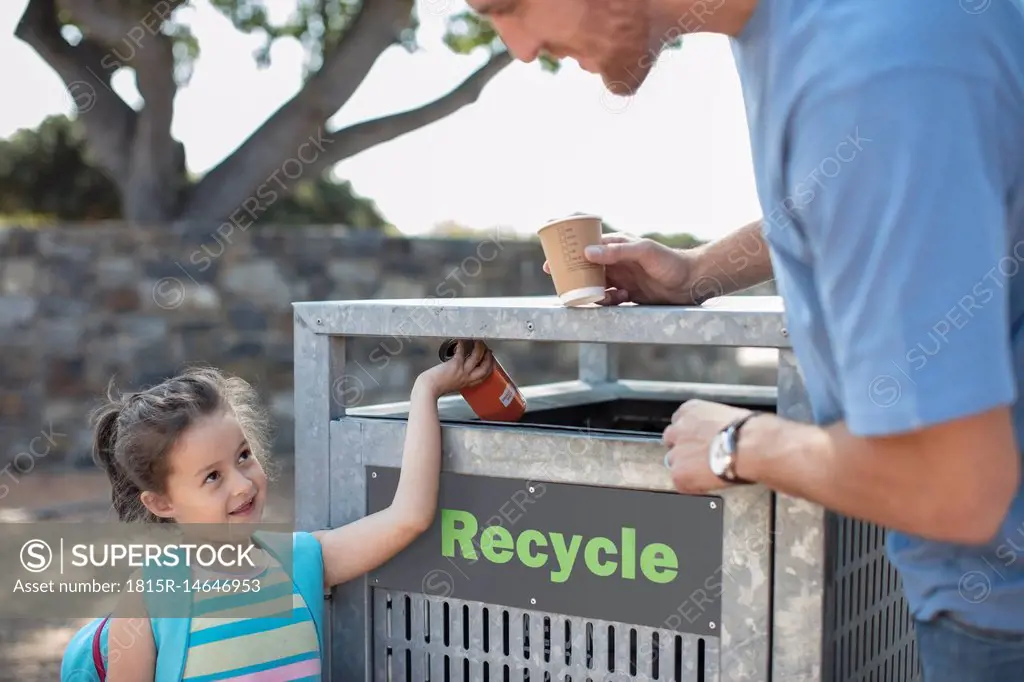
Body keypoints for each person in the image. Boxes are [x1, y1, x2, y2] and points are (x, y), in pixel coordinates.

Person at [499, 0, 1024, 679]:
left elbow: (953, 486)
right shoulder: (829, 30)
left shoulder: (870, 64)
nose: (516, 46)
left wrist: (738, 444)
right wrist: (694, 273)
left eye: (504, 6)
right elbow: (844, 190)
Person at [89, 343, 494, 680]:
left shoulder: (300, 563)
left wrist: (425, 391)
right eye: (212, 477)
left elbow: (409, 516)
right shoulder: (147, 599)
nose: (243, 484)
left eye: (243, 456)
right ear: (162, 503)